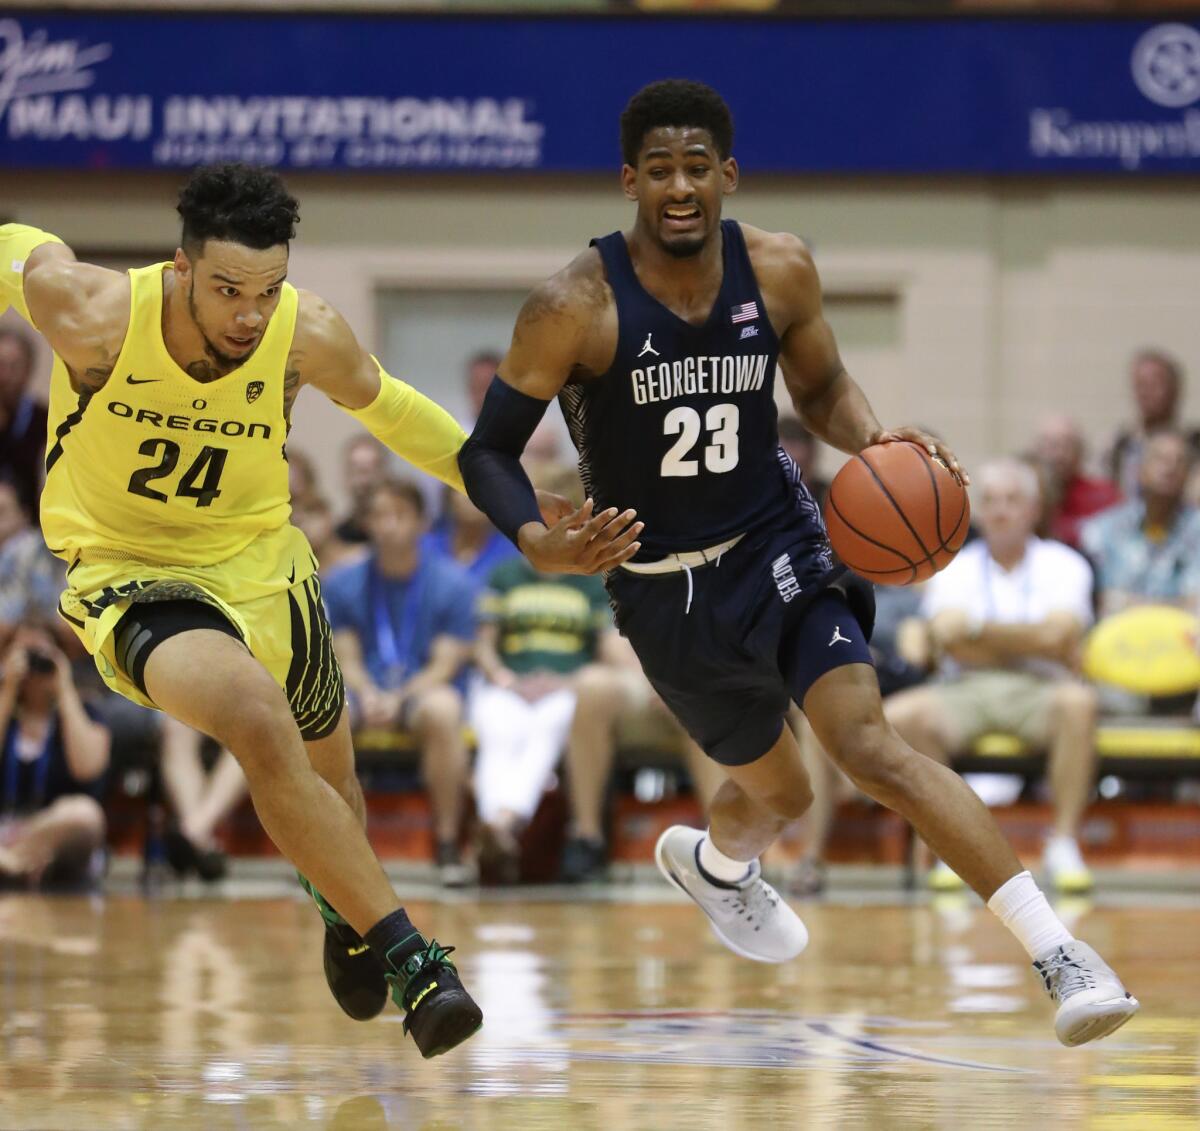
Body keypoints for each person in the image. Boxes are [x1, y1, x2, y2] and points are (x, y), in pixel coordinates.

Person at [459, 80, 1136, 1046]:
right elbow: (487, 450)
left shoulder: (778, 269)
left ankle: (1060, 954)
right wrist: (534, 538)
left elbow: (818, 386)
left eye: (698, 167)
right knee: (782, 792)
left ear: (728, 174)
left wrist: (872, 440)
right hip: (659, 588)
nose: (681, 186)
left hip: (776, 541)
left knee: (867, 747)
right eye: (660, 171)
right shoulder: (574, 305)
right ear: (629, 182)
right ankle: (719, 866)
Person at [0, 163, 534, 1057]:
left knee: (337, 791)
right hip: (131, 572)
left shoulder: (302, 331)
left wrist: (524, 512)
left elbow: (396, 411)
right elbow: (20, 248)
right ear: (181, 268)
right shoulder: (90, 310)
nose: (250, 313)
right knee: (256, 714)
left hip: (262, 568)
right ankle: (417, 962)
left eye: (267, 289)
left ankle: (343, 905)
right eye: (227, 290)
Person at [881, 460, 1099, 893]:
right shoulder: (955, 566)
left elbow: (1060, 637)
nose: (1001, 511)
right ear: (979, 510)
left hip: (1040, 690)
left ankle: (1064, 842)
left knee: (1080, 704)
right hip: (967, 690)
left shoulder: (1066, 563)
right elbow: (948, 640)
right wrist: (1030, 637)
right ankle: (952, 845)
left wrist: (978, 631)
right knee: (901, 715)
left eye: (1013, 501)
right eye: (992, 501)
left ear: (1035, 509)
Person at [324, 478, 478, 887]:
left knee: (444, 708)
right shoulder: (341, 582)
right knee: (325, 708)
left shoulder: (455, 583)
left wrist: (398, 697)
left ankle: (447, 844)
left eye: (398, 515)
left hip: (419, 692)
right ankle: (325, 849)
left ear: (422, 522)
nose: (388, 525)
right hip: (364, 690)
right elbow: (345, 656)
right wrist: (370, 693)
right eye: (377, 516)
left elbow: (445, 665)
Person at [471, 470, 615, 882]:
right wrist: (502, 677)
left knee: (547, 729)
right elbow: (483, 644)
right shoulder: (503, 575)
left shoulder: (590, 581)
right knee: (497, 729)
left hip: (564, 687)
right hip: (509, 682)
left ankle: (499, 825)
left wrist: (566, 684)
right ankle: (501, 826)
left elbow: (604, 652)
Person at [0, 627, 109, 889]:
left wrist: (64, 689)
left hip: (53, 830)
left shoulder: (87, 711)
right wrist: (8, 688)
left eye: (43, 655)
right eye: (24, 655)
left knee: (85, 813)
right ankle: (16, 863)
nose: (34, 664)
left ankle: (12, 862)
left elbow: (88, 769)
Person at [1082, 430, 1200, 619]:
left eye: (1180, 462)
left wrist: (1129, 603)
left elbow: (1197, 607)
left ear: (1188, 475)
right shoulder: (1103, 530)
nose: (1170, 468)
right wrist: (1178, 605)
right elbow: (1100, 603)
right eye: (1161, 459)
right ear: (1140, 470)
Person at [1106, 349, 1200, 499]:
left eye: (1155, 384)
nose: (1146, 393)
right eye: (1140, 385)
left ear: (1175, 389)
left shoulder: (1194, 442)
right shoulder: (1120, 444)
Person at [1033, 414, 1121, 550]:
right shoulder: (1028, 498)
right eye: (1051, 445)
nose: (1059, 454)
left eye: (1066, 445)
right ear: (1037, 451)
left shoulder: (1103, 495)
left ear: (1080, 450)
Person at [0, 326, 47, 521]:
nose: (5, 376)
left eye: (14, 366)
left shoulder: (45, 420)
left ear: (28, 370)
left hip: (28, 527)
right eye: (1, 365)